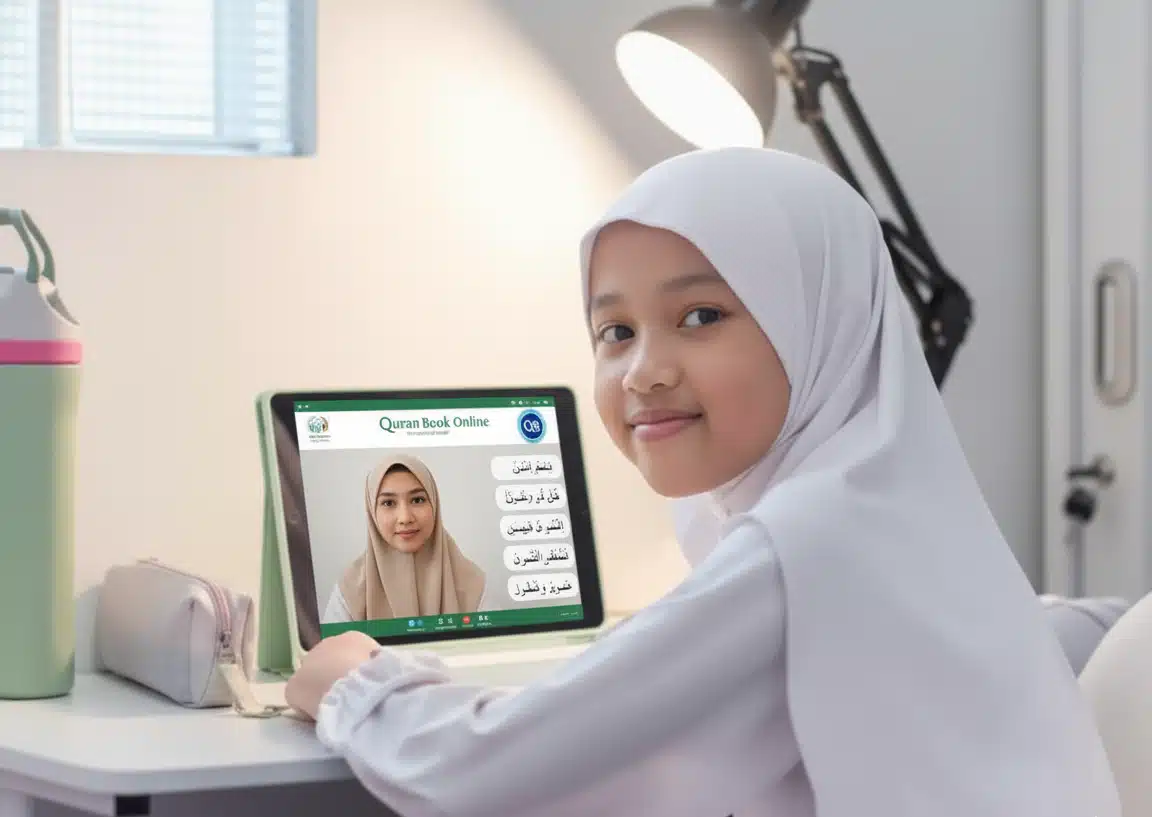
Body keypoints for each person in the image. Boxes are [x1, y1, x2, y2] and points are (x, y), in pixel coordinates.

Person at [286, 147, 1120, 817]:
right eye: (614, 331)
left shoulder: (805, 542)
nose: (644, 371)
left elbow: (479, 772)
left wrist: (358, 683)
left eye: (700, 316)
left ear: (822, 321)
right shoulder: (907, 519)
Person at [323, 454, 487, 623]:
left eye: (417, 500)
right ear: (372, 512)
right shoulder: (350, 590)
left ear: (434, 504)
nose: (405, 518)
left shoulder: (474, 584)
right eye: (388, 503)